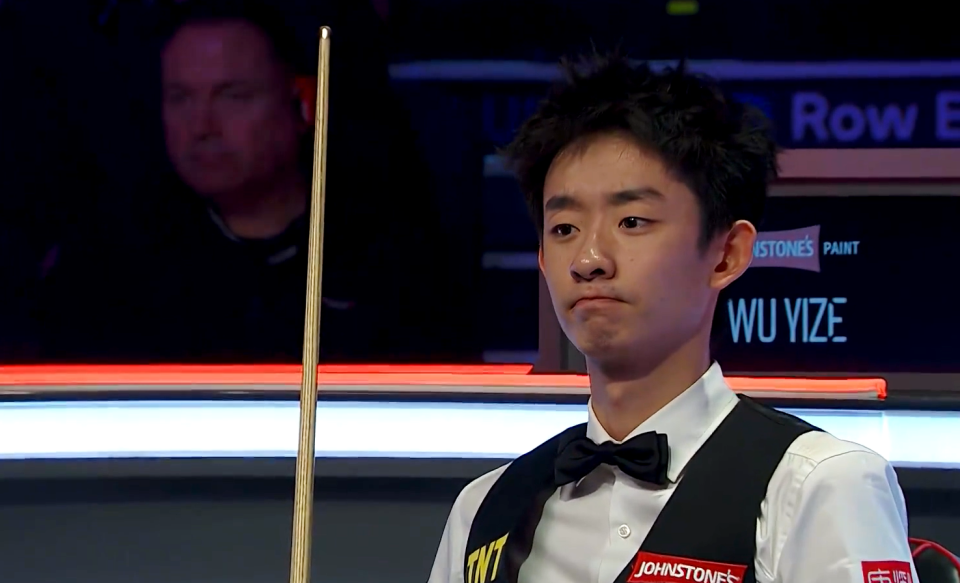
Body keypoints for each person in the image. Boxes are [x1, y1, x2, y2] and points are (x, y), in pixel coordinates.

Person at [428, 53, 917, 583]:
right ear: (542, 260)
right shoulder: (483, 510)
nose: (589, 259)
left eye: (632, 221)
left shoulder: (817, 486)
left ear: (727, 254)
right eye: (565, 228)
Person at [36, 0, 462, 363]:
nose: (201, 126)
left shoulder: (389, 261)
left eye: (233, 96)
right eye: (180, 98)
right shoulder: (112, 267)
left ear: (302, 104)